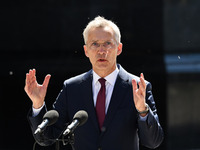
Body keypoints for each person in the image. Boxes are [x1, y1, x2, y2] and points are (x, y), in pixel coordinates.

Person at [25, 16, 164, 150]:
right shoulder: (72, 88)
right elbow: (47, 138)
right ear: (86, 50)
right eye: (95, 44)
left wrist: (143, 111)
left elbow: (153, 142)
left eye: (108, 44)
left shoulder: (138, 87)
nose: (101, 50)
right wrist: (38, 104)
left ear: (119, 48)